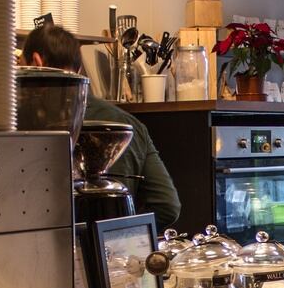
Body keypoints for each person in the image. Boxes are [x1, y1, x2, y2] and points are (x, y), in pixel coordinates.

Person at [20, 23, 181, 229]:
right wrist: (126, 233)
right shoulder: (131, 125)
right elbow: (169, 206)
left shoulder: (33, 127)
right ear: (78, 68)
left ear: (36, 63)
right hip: (120, 255)